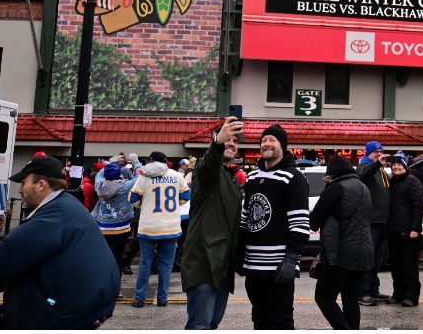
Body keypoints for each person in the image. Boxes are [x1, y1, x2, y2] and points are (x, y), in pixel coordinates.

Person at [0, 156, 119, 329]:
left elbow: (7, 252)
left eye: (24, 183)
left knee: (8, 318)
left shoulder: (53, 216)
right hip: (91, 300)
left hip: (73, 309)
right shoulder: (65, 204)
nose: (20, 190)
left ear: (41, 185)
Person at [236, 124, 310, 329]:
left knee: (281, 320)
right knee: (260, 317)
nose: (266, 144)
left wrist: (291, 259)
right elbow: (245, 218)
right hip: (254, 266)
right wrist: (239, 252)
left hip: (279, 266)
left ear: (283, 146)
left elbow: (300, 224)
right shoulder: (252, 178)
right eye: (263, 141)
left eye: (272, 140)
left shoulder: (293, 177)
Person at [182, 116, 245, 331]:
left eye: (235, 142)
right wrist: (218, 141)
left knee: (212, 324)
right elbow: (210, 162)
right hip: (204, 262)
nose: (231, 144)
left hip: (223, 264)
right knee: (200, 325)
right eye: (228, 140)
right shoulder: (205, 170)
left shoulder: (233, 178)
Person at [310, 156, 373, 329]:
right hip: (364, 252)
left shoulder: (335, 188)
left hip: (340, 253)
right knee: (351, 300)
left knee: (323, 297)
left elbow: (314, 220)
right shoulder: (364, 188)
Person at [129, 151, 190, 307]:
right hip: (170, 226)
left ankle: (139, 298)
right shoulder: (177, 175)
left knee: (145, 264)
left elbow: (133, 199)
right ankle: (162, 298)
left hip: (148, 226)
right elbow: (186, 196)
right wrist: (175, 205)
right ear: (166, 162)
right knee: (166, 265)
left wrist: (145, 205)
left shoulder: (143, 176)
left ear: (151, 161)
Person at [384, 151, 423, 307]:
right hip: (393, 230)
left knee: (409, 266)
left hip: (408, 231)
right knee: (396, 265)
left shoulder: (413, 181)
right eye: (394, 165)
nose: (396, 167)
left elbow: (418, 206)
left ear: (405, 166)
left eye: (399, 164)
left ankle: (411, 296)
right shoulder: (391, 182)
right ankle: (398, 294)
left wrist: (415, 227)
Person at [356, 141, 391, 306]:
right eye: (375, 151)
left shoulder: (380, 169)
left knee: (377, 259)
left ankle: (373, 289)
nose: (379, 154)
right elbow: (362, 175)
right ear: (368, 153)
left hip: (382, 221)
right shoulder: (365, 165)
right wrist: (377, 163)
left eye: (380, 151)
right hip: (371, 221)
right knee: (367, 259)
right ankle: (362, 293)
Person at [93, 161, 137, 266]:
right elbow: (138, 178)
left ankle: (105, 279)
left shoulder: (99, 185)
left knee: (105, 257)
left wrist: (109, 166)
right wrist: (136, 162)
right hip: (121, 228)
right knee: (118, 257)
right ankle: (117, 280)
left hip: (104, 227)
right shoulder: (124, 186)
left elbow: (99, 174)